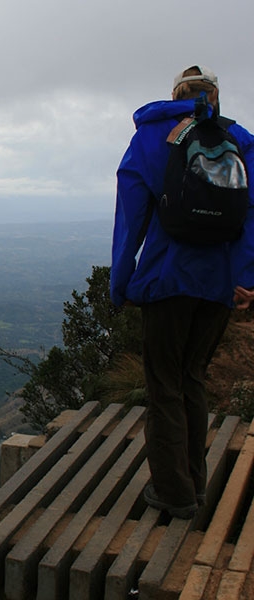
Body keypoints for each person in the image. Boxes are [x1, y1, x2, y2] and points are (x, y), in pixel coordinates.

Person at [110, 65, 254, 519]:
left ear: (175, 95)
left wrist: (120, 284)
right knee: (192, 377)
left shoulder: (152, 138)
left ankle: (173, 492)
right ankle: (194, 483)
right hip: (218, 284)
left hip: (165, 279)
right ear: (215, 97)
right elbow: (251, 215)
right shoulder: (241, 141)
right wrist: (246, 278)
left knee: (163, 386)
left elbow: (131, 218)